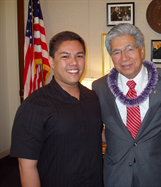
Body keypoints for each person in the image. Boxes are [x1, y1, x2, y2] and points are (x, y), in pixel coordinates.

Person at [10, 31, 103, 187]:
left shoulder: (92, 97)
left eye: (79, 56)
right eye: (65, 56)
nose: (74, 62)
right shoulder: (35, 105)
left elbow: (97, 135)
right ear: (51, 62)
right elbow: (26, 167)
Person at [92, 23, 161, 187]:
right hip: (118, 176)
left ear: (142, 50)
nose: (124, 57)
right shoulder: (100, 88)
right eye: (117, 52)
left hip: (160, 175)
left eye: (130, 49)